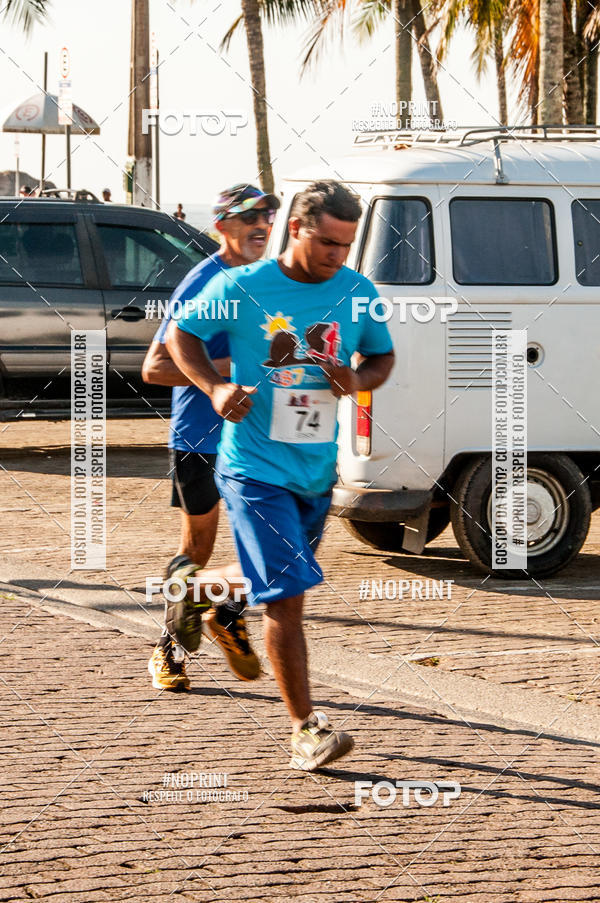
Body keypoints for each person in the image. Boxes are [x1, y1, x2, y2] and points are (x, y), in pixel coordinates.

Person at [166, 180, 395, 771]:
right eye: (326, 243)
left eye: (346, 246)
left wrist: (359, 379)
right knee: (288, 599)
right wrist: (215, 387)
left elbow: (382, 357)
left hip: (316, 472)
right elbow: (178, 337)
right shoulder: (243, 286)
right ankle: (305, 729)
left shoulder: (358, 291)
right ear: (296, 227)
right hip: (252, 470)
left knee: (273, 578)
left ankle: (198, 589)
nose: (335, 257)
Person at [142, 183, 280, 692]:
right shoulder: (205, 282)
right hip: (201, 438)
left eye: (268, 214)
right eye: (248, 217)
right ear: (221, 226)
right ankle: (168, 648)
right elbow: (155, 367)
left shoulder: (270, 279)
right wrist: (227, 374)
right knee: (197, 546)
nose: (261, 224)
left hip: (259, 440)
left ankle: (225, 612)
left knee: (271, 539)